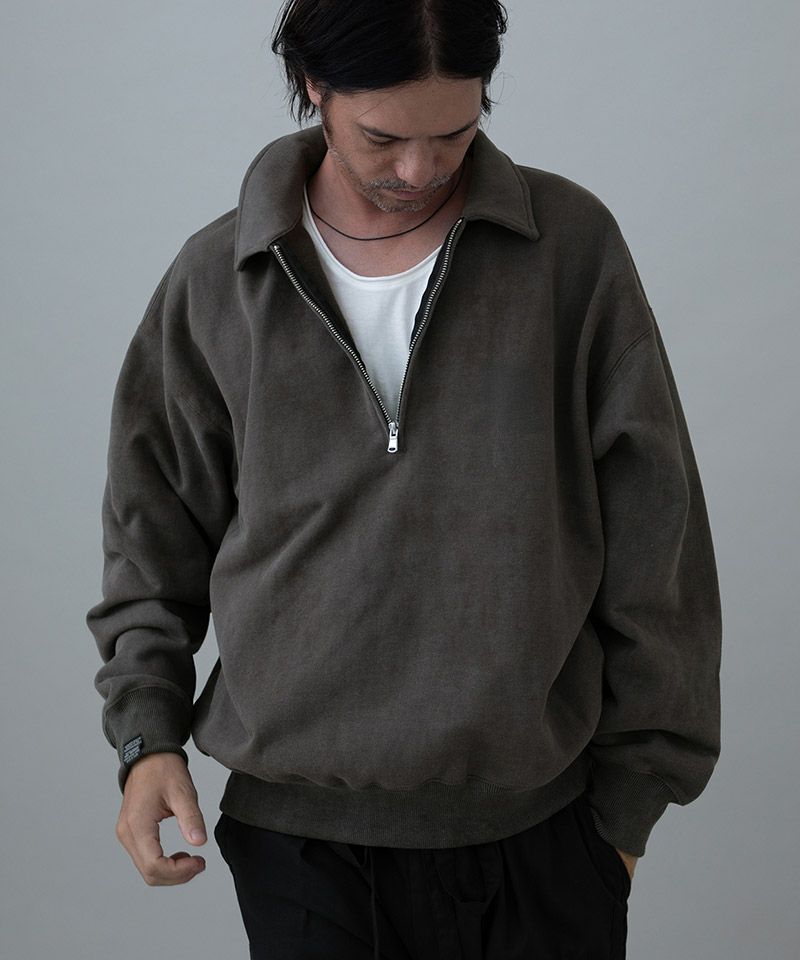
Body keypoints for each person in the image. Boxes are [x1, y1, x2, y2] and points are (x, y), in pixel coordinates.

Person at [85, 1, 722, 957]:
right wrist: (148, 739)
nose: (420, 170)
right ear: (315, 86)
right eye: (382, 138)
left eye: (454, 133)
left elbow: (657, 532)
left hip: (544, 836)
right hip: (299, 844)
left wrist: (627, 813)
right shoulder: (220, 278)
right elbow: (151, 538)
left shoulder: (569, 249)